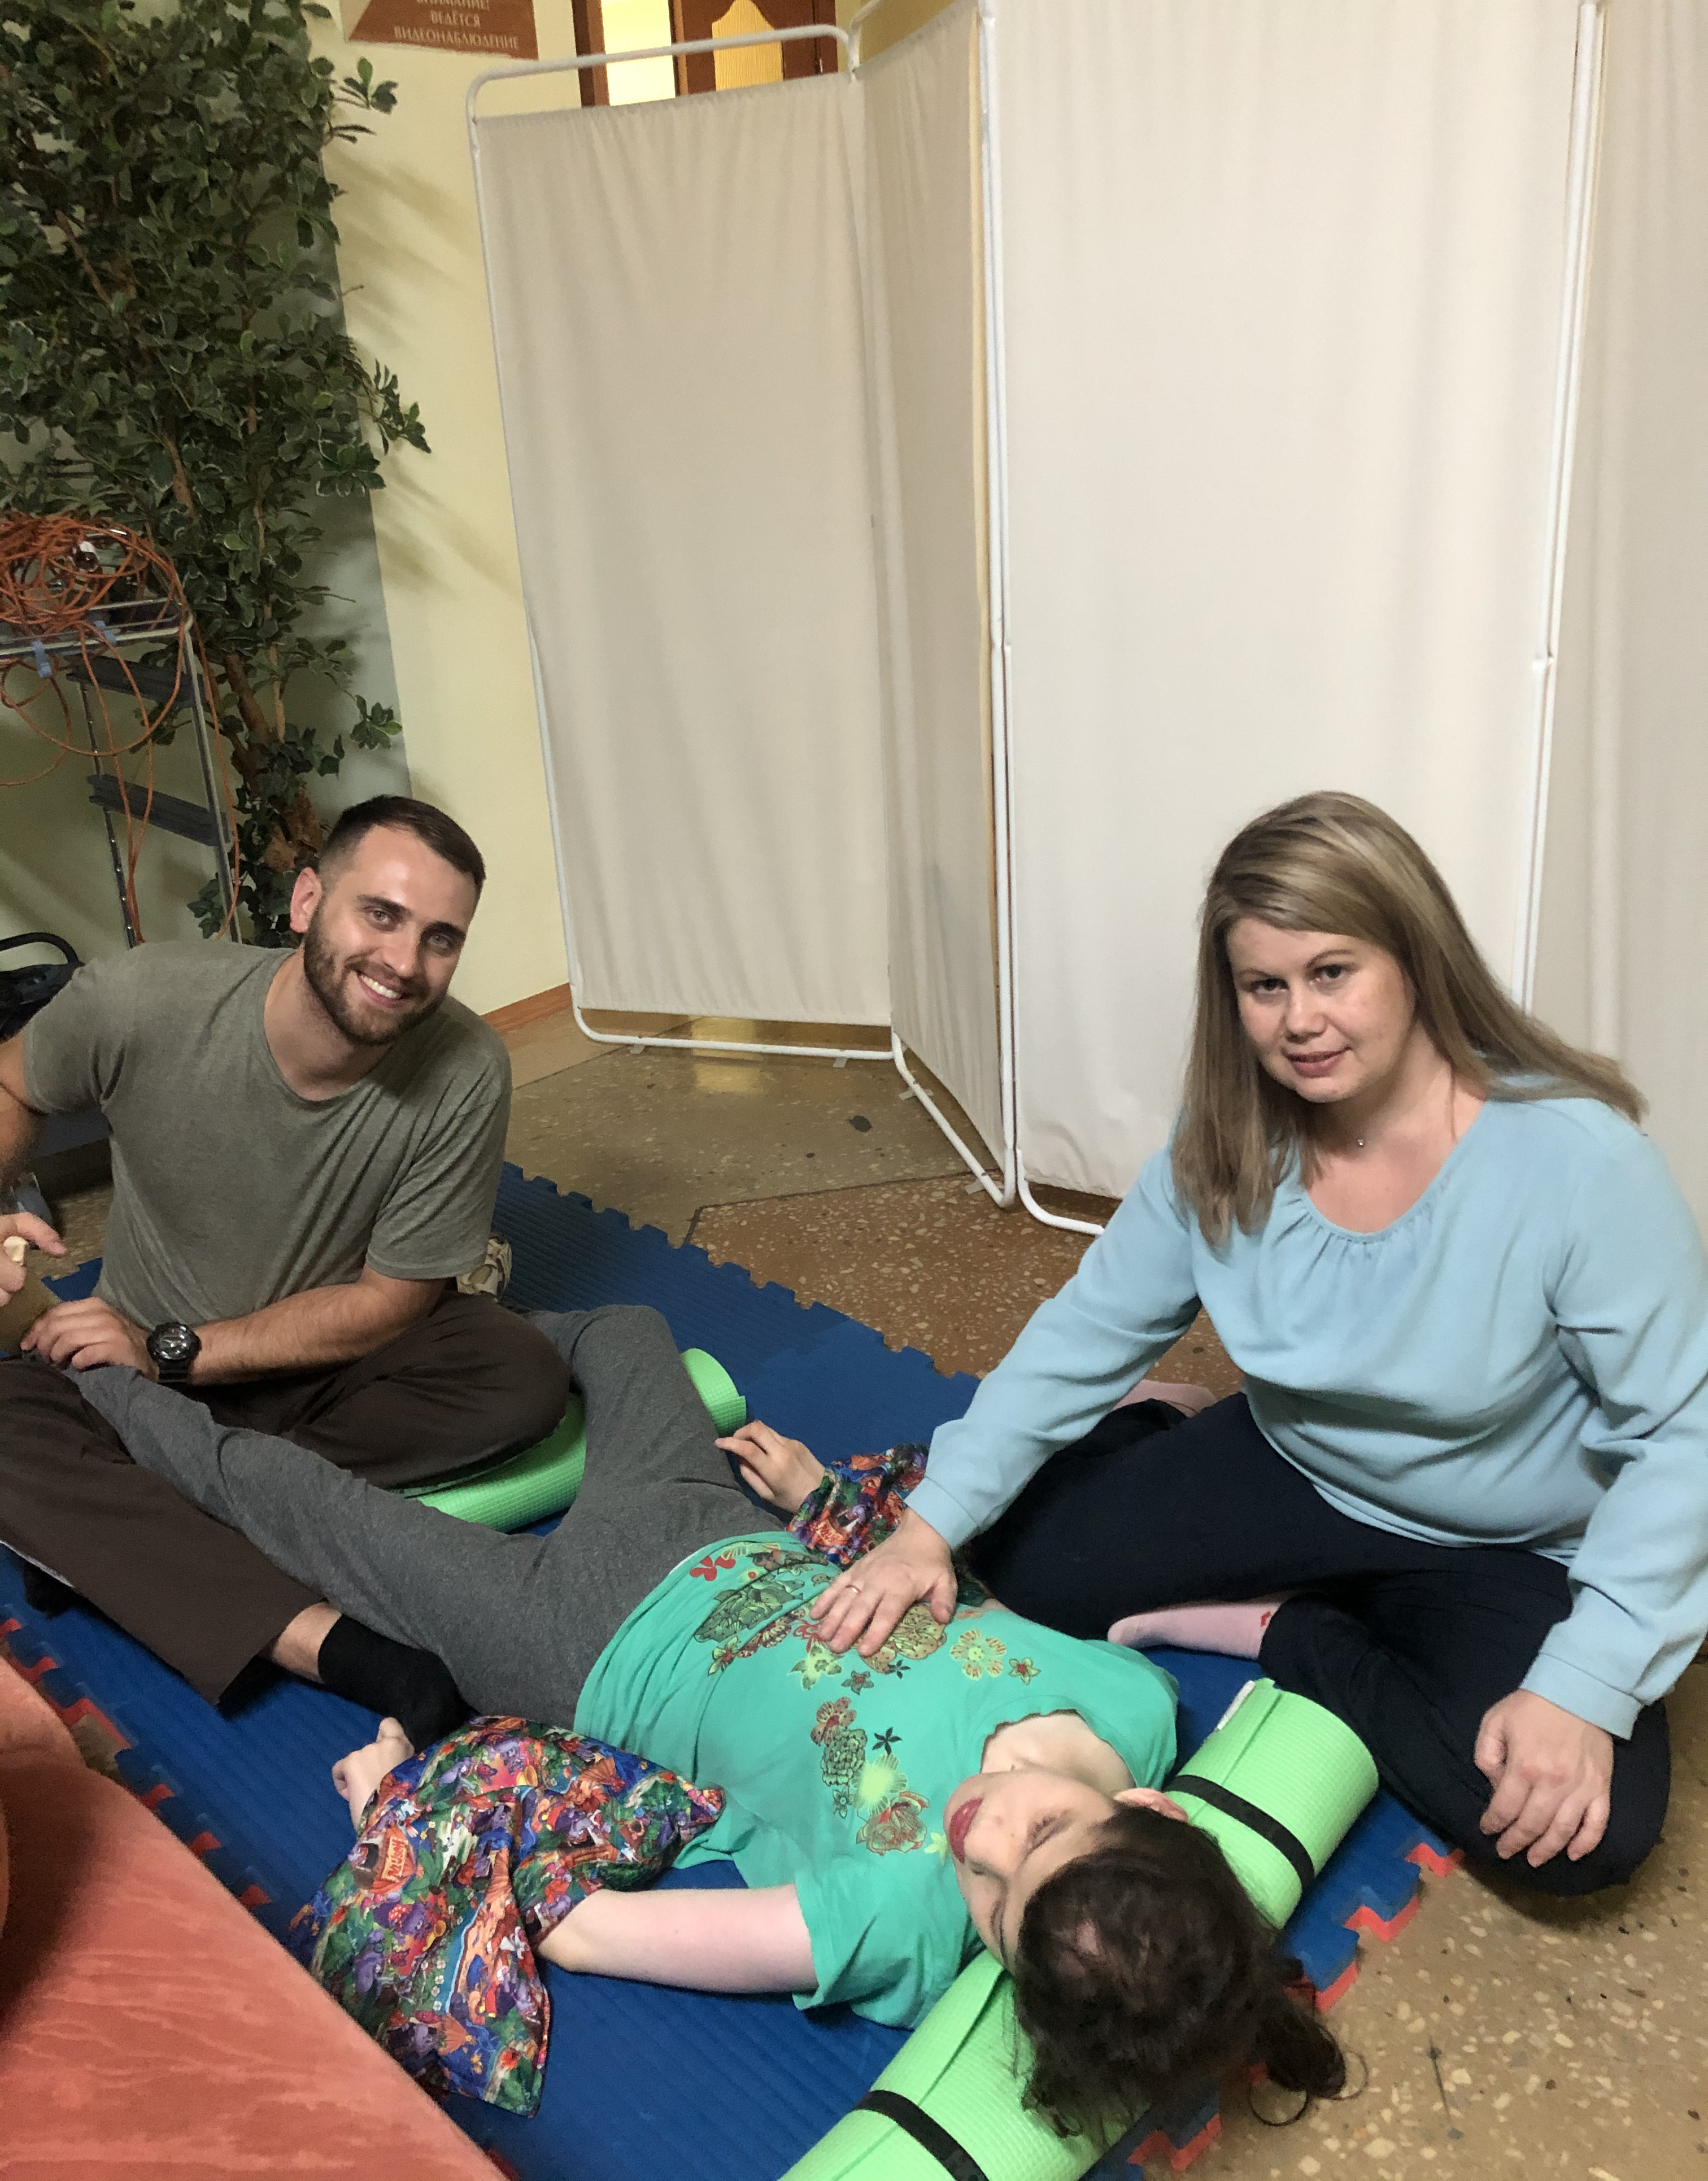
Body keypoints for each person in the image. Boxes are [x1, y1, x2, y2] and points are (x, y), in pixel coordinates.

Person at [63, 1306, 1345, 2140]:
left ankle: (96, 1378)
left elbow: (587, 1930)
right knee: (625, 1328)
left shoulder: (899, 1922)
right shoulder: (1131, 1709)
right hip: (715, 1524)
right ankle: (355, 1350)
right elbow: (1048, 1615)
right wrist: (828, 1502)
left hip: (573, 1642)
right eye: (1045, 1833)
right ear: (1148, 1806)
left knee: (284, 1499)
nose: (982, 1836)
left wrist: (400, 1807)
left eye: (995, 1905)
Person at [809, 791, 1708, 1899]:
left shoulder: (1579, 1163)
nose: (1300, 1020)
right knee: (1019, 1568)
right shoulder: (1226, 1137)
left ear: (1415, 959)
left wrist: (1583, 1681)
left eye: (1333, 973)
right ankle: (1166, 1429)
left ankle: (1291, 1628)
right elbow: (1090, 1327)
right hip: (1301, 1462)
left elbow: (1684, 1438)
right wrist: (925, 1528)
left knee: (1580, 1835)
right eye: (1265, 986)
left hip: (1509, 1539)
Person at [0, 796, 570, 1741]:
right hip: (127, 1384)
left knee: (520, 1374)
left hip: (306, 1368)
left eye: (440, 939)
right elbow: (14, 1078)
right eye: (380, 915)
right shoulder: (146, 999)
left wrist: (171, 1351)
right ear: (307, 902)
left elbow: (390, 1303)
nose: (404, 962)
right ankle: (331, 1646)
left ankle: (130, 1533)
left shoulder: (466, 1068)